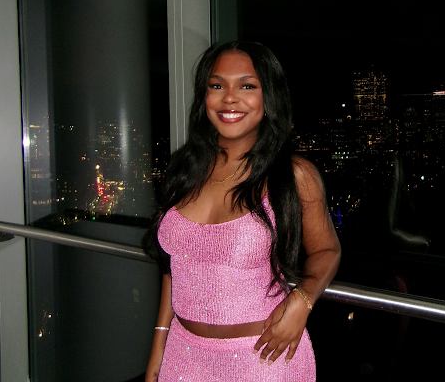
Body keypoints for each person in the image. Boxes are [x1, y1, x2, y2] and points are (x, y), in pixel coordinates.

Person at [143, 41, 341, 381]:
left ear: (269, 97)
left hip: (263, 358)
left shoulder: (292, 175)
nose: (230, 98)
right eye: (217, 85)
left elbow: (327, 250)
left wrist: (303, 301)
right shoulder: (184, 170)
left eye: (247, 86)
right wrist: (158, 350)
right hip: (183, 354)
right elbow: (173, 269)